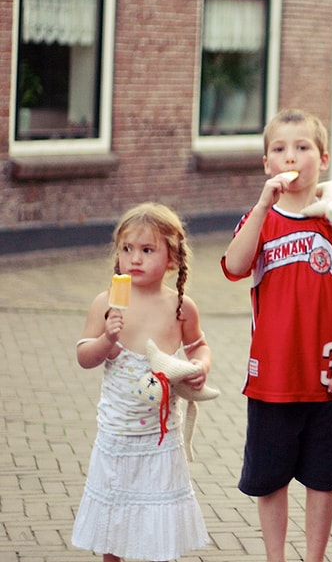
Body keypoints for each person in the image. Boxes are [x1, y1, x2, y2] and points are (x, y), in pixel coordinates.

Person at [221, 108, 332, 562]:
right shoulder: (260, 219)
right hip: (271, 376)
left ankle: (315, 556)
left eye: (303, 147)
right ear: (267, 163)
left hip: (323, 375)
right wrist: (263, 205)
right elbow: (233, 266)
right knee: (270, 478)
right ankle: (275, 556)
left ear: (322, 158)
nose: (292, 156)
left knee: (322, 477)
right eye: (280, 148)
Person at [72, 202, 212, 562]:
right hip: (118, 435)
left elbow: (199, 346)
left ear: (172, 259)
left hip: (159, 436)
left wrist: (199, 365)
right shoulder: (107, 303)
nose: (134, 259)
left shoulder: (181, 306)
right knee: (114, 516)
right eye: (127, 249)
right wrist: (106, 340)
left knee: (158, 517)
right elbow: (84, 356)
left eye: (147, 250)